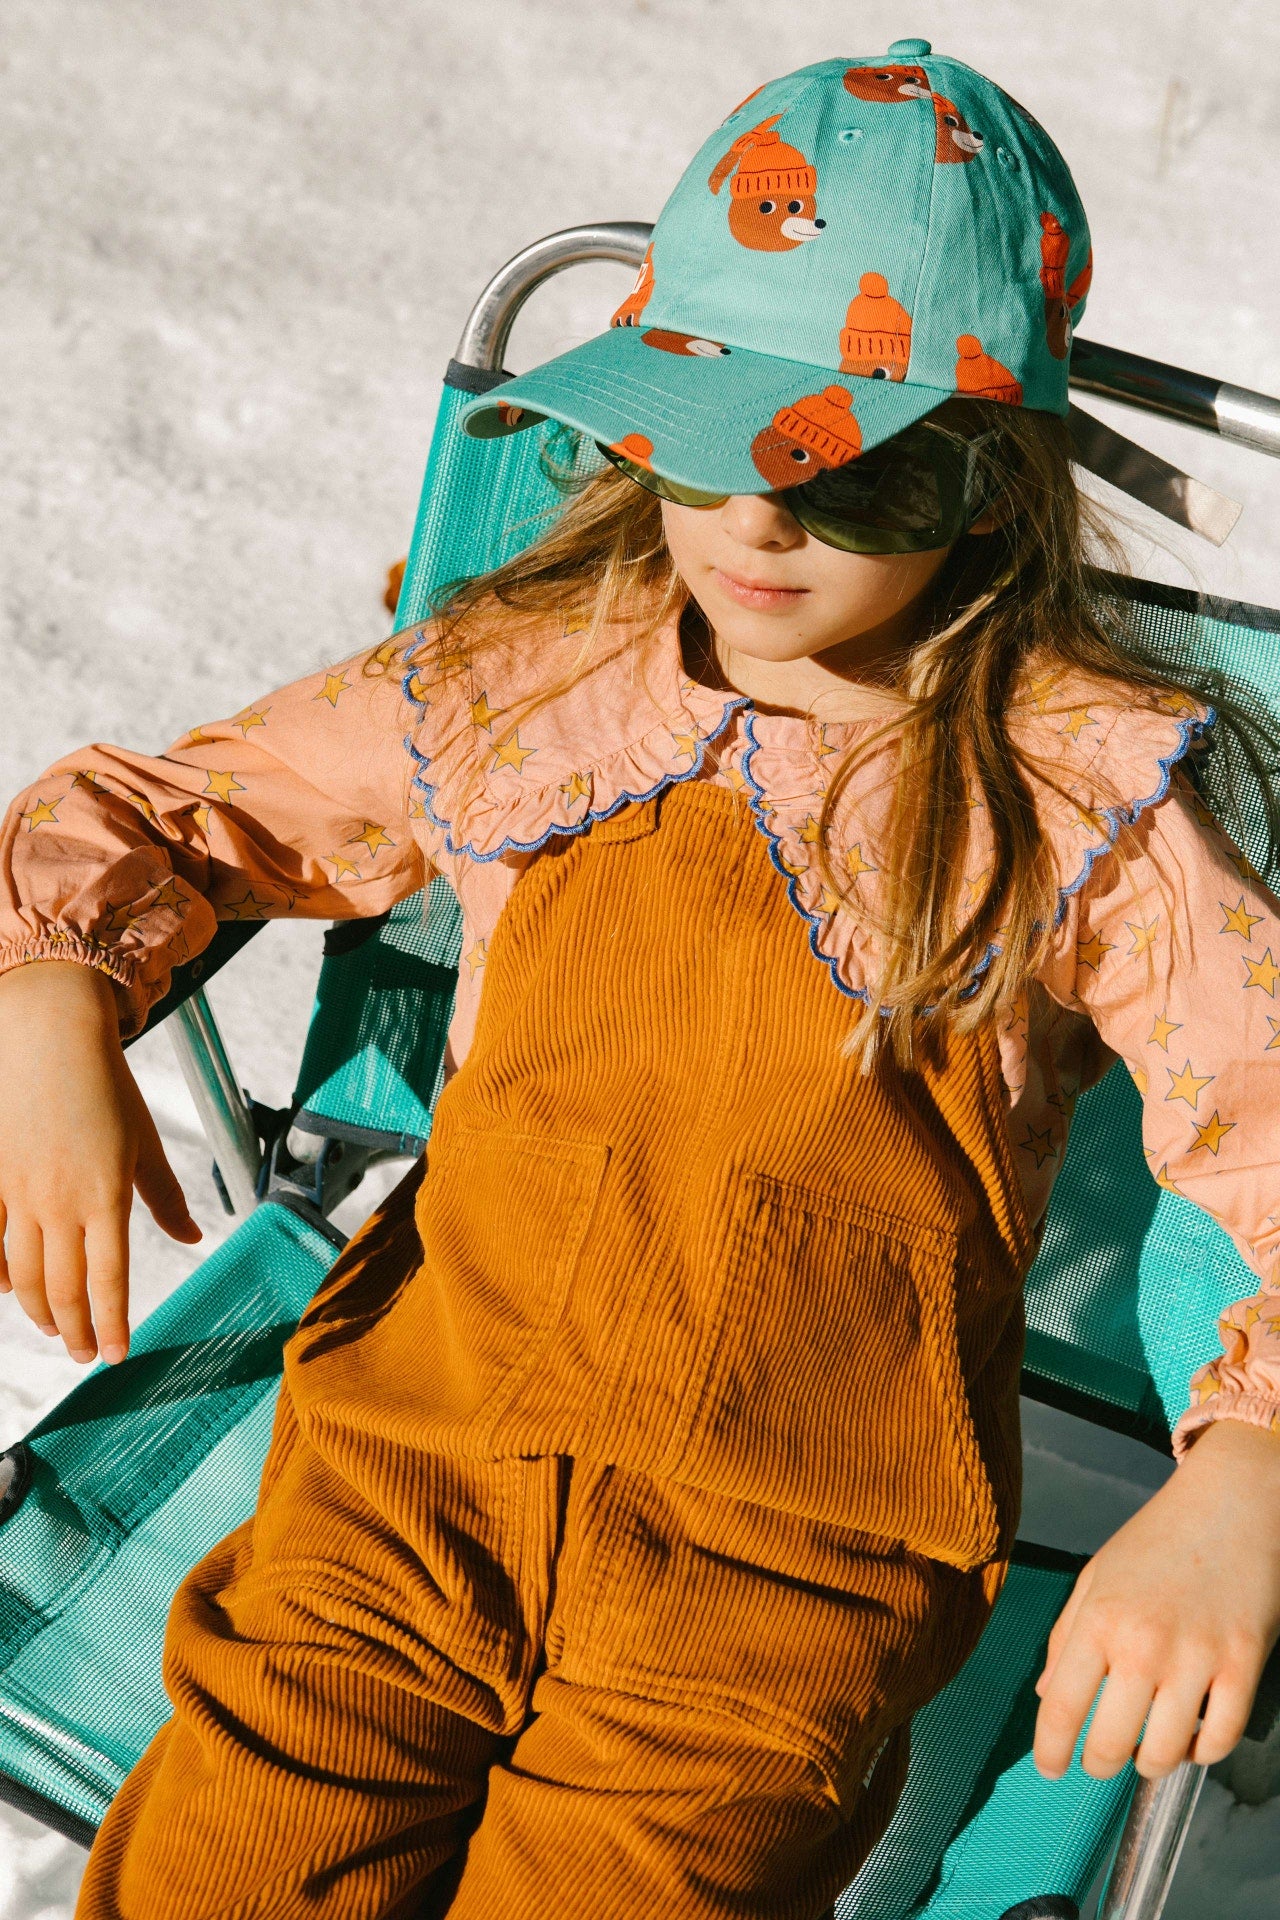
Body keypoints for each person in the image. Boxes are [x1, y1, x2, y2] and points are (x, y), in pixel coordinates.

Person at [1, 39, 1279, 1920]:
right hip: (401, 1485)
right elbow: (165, 815)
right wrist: (49, 997)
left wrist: (1246, 1474)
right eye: (708, 432)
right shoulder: (526, 681)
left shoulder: (1071, 794)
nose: (761, 519)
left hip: (775, 1590)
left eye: (859, 472)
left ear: (994, 490)